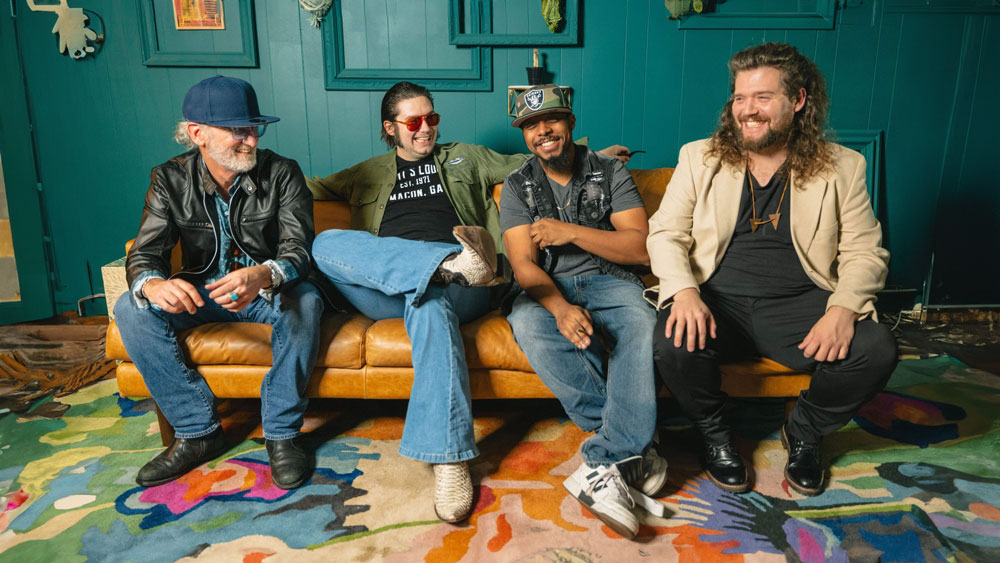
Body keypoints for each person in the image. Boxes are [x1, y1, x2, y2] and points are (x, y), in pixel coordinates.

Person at [306, 81, 630, 523]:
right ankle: (441, 265)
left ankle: (450, 460)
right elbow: (308, 186)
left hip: (470, 281)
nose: (426, 128)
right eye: (414, 122)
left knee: (429, 304)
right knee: (325, 242)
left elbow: (533, 160)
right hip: (395, 284)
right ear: (390, 128)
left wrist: (597, 156)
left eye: (432, 118)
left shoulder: (466, 156)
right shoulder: (367, 172)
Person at [647, 43, 897, 497]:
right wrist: (684, 292)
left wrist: (842, 310)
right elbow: (665, 233)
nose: (748, 110)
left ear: (798, 100)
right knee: (671, 341)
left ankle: (804, 431)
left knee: (876, 348)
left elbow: (865, 251)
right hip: (717, 300)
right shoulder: (699, 157)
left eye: (763, 97)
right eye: (740, 98)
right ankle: (715, 436)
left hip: (799, 305)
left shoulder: (844, 166)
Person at [115, 76, 322, 490]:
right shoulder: (169, 179)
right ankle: (197, 432)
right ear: (198, 134)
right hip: (202, 293)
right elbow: (144, 253)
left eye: (254, 129)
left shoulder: (283, 172)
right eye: (238, 130)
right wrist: (153, 285)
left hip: (267, 291)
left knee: (308, 301)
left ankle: (282, 435)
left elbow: (299, 248)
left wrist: (264, 273)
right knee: (130, 307)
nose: (251, 140)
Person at [499, 84, 667, 539]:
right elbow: (523, 265)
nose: (542, 131)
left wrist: (569, 232)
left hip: (611, 280)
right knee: (526, 322)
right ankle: (630, 441)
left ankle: (607, 458)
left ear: (570, 123)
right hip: (549, 287)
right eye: (531, 126)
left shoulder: (610, 171)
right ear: (525, 136)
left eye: (551, 120)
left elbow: (639, 249)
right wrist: (558, 308)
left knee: (642, 321)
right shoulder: (516, 185)